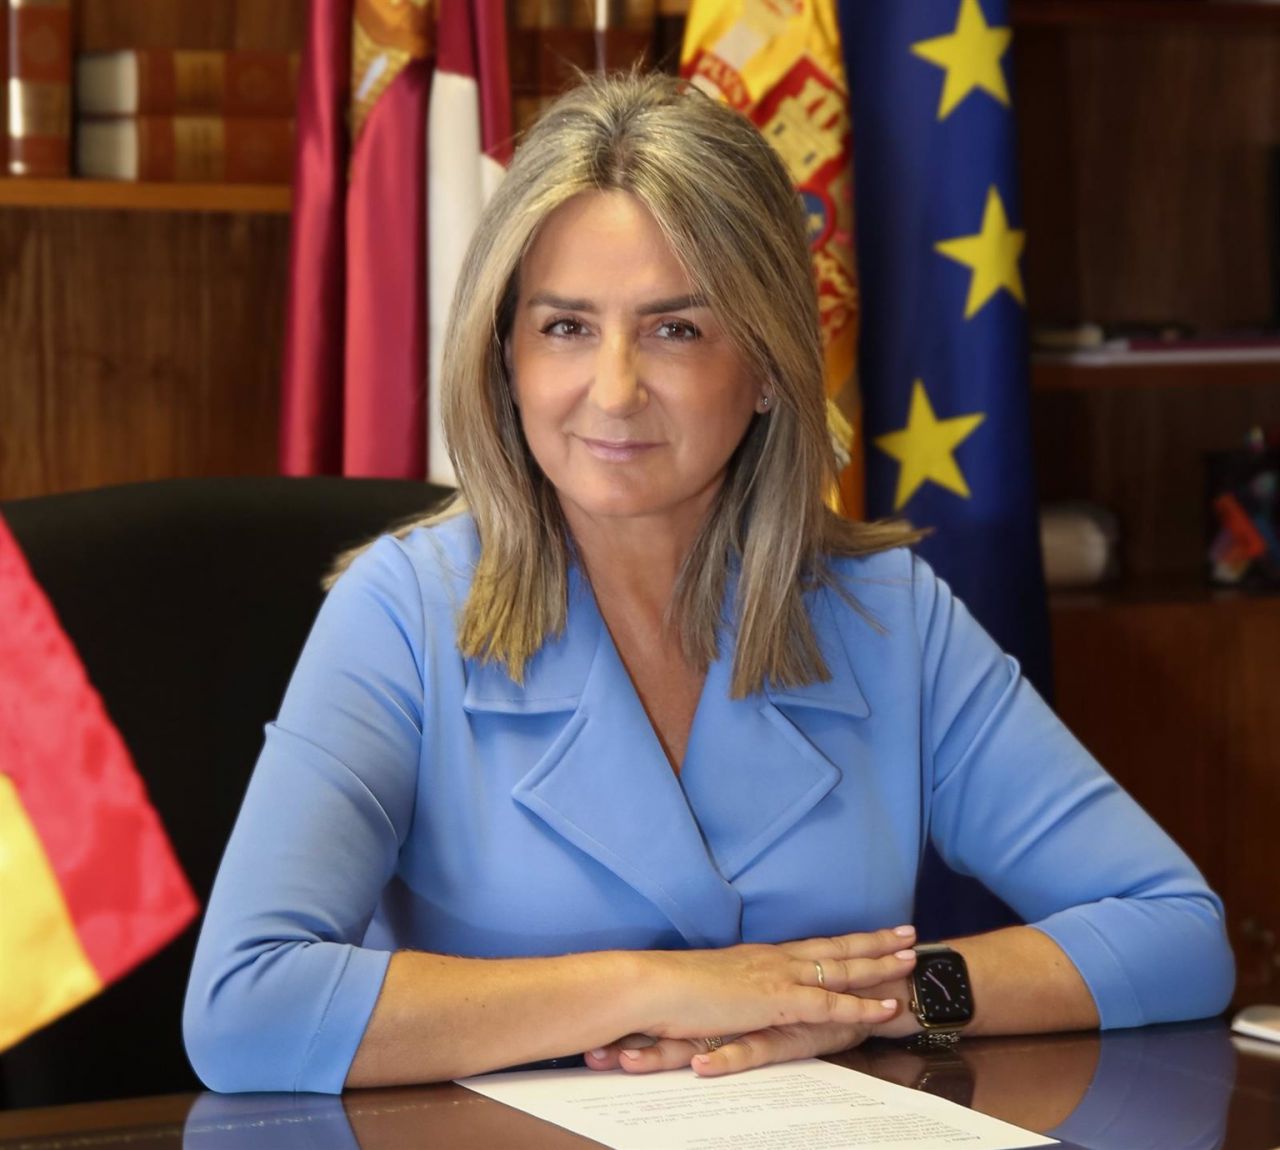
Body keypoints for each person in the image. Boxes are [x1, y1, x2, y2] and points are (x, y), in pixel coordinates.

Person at [183, 71, 1234, 1094]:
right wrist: (658, 987)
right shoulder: (401, 614)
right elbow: (246, 1009)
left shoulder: (884, 614)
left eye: (675, 329)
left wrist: (873, 999)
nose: (613, 389)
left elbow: (1175, 934)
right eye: (565, 327)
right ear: (505, 358)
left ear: (767, 366)